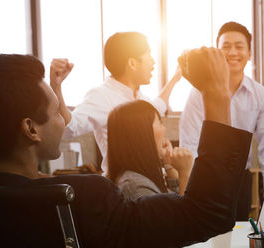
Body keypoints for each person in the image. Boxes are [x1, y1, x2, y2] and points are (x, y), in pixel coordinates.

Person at [0, 49, 251, 248]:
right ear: (31, 129)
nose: (65, 119)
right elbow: (206, 214)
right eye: (56, 112)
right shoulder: (83, 199)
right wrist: (217, 94)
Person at [179, 21, 264, 220]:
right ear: (217, 53)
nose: (233, 52)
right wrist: (188, 183)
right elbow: (189, 141)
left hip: (240, 178)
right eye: (226, 46)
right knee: (203, 236)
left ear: (249, 54)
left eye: (239, 46)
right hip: (205, 177)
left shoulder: (260, 95)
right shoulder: (198, 92)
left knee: (237, 235)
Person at [52, 32, 182, 173]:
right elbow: (70, 127)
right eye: (149, 55)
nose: (153, 62)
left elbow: (159, 104)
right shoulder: (102, 95)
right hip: (126, 187)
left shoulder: (140, 97)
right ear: (132, 63)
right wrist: (56, 87)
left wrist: (176, 77)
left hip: (152, 181)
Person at [107, 100, 193, 200]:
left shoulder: (139, 177)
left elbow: (171, 202)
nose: (164, 128)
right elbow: (182, 215)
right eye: (160, 123)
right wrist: (184, 173)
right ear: (143, 133)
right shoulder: (135, 186)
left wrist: (169, 166)